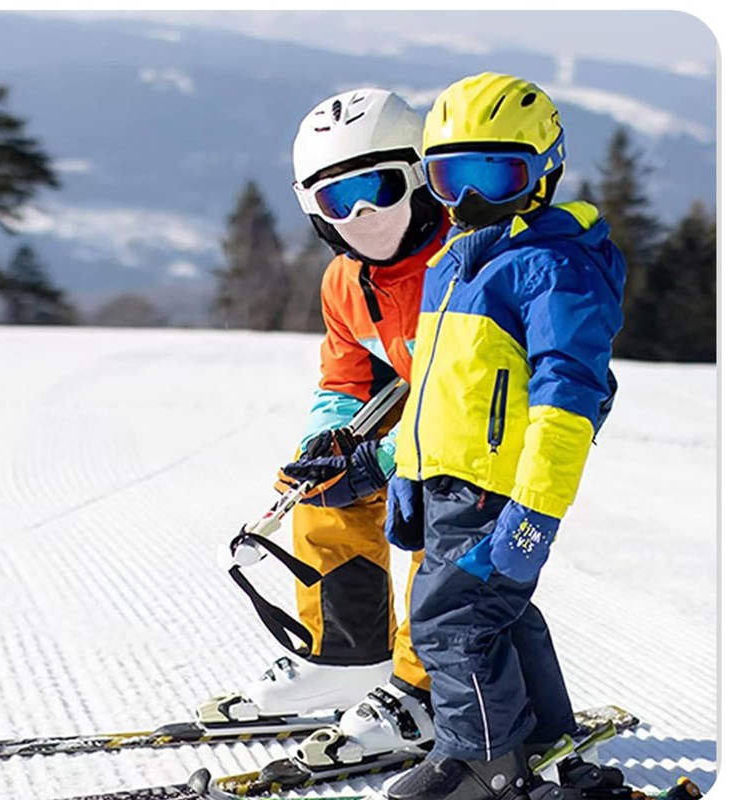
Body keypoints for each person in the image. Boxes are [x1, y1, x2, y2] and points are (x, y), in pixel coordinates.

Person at [375, 72, 627, 800]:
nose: (469, 199)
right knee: (498, 613)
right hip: (447, 483)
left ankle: (483, 760)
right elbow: (436, 385)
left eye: (495, 176)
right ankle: (542, 739)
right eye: (449, 177)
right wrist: (408, 469)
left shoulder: (554, 267)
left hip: (497, 489)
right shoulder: (455, 263)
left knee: (450, 623)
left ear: (544, 170)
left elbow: (569, 400)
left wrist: (535, 509)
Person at [200, 88, 451, 766]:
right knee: (323, 483)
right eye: (339, 199)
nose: (362, 215)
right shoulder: (346, 282)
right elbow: (346, 378)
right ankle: (347, 655)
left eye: (379, 188)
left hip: (491, 426)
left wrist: (386, 459)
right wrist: (328, 443)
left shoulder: (465, 264)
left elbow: (467, 397)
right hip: (425, 409)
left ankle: (429, 689)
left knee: (440, 504)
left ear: (422, 175)